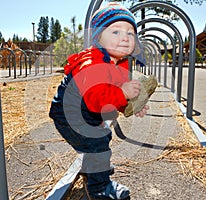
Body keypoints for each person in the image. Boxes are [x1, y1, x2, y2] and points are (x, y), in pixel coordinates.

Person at [49, 3, 149, 199]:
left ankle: (93, 167)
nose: (124, 37)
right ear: (98, 37)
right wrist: (124, 93)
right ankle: (100, 189)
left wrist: (131, 104)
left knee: (98, 138)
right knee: (97, 141)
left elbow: (113, 94)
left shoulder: (116, 64)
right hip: (69, 114)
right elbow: (96, 101)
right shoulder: (93, 62)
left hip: (86, 111)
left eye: (130, 33)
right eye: (115, 32)